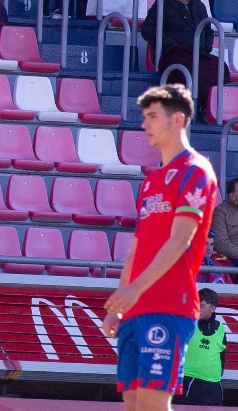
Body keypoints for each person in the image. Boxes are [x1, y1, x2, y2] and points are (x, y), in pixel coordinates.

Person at [102, 83, 215, 411]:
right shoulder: (151, 181)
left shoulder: (196, 171)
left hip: (169, 305)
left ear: (177, 119)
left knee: (152, 403)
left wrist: (134, 289)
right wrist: (118, 304)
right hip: (134, 309)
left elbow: (180, 240)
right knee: (134, 403)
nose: (144, 124)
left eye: (152, 116)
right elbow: (136, 248)